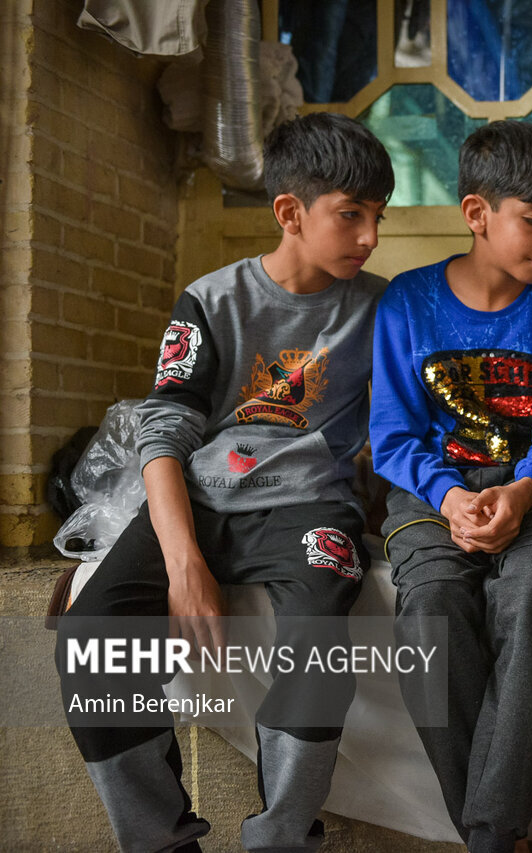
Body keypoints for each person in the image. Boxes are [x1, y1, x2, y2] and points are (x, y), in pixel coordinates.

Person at [55, 112, 394, 851]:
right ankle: (161, 839)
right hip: (204, 499)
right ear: (289, 213)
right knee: (89, 636)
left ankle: (279, 837)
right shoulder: (211, 301)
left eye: (378, 216)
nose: (370, 236)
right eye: (351, 215)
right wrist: (184, 563)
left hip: (313, 507)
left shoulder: (381, 306)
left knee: (317, 647)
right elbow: (164, 435)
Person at [370, 121, 532, 853]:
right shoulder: (408, 303)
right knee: (430, 609)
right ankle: (494, 831)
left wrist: (524, 493)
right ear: (478, 214)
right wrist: (447, 498)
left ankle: (488, 835)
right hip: (429, 496)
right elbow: (392, 432)